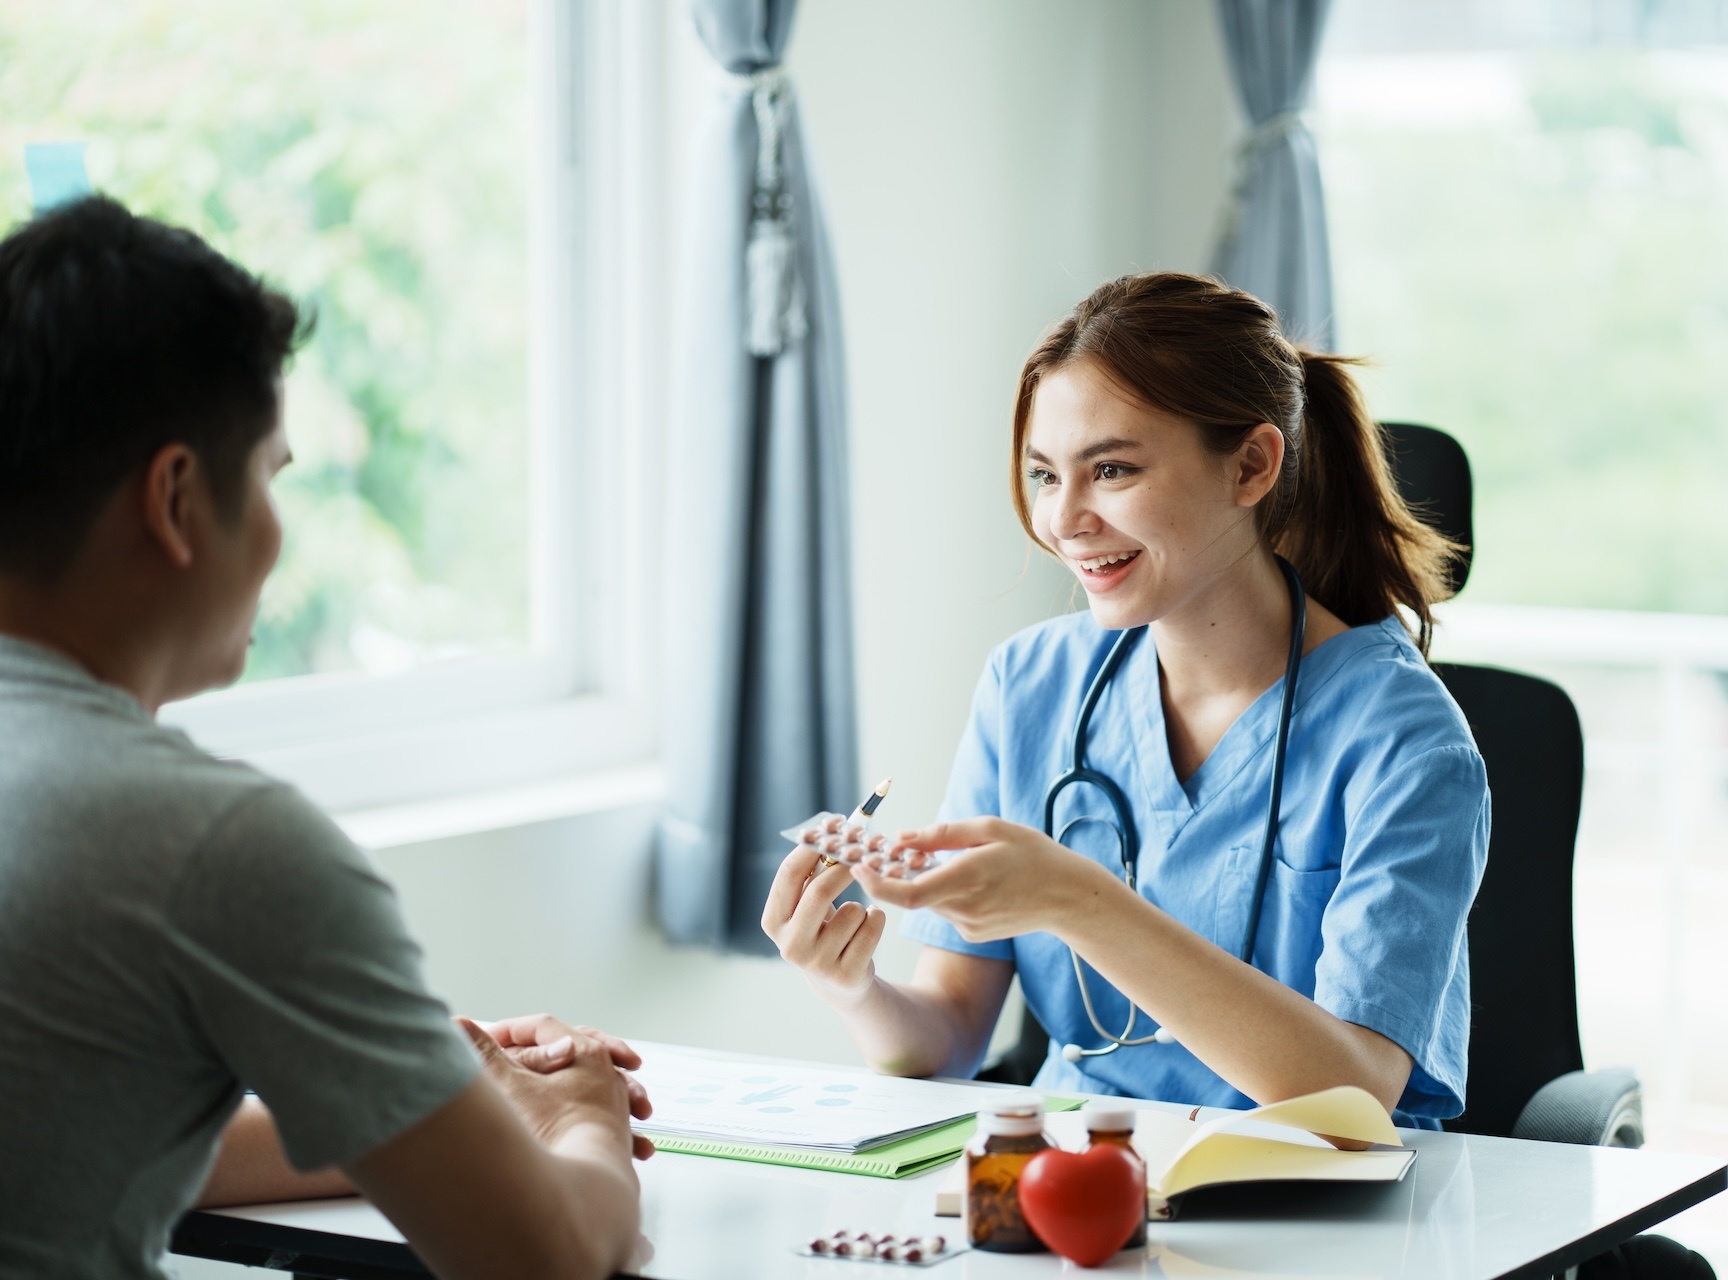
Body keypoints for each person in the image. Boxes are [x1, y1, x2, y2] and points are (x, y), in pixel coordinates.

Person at [0, 196, 651, 1280]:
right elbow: (541, 1260)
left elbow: (104, 1142)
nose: (276, 531)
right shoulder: (212, 841)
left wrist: (430, 1086)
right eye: (269, 476)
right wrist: (581, 1118)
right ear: (174, 498)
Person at [764, 271, 1490, 1130]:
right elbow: (948, 1042)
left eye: (1110, 469)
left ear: (1252, 465)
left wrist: (1076, 898)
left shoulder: (1403, 739)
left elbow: (1349, 1102)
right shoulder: (1028, 686)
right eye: (1044, 475)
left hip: (1324, 1207)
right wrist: (850, 985)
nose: (1063, 520)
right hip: (1088, 1182)